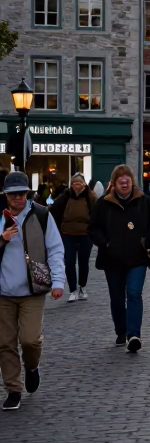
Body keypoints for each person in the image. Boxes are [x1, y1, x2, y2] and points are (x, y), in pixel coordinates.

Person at [0, 172, 65, 411]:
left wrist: (58, 282)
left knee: (29, 340)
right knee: (5, 343)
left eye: (22, 193)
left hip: (32, 289)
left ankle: (31, 366)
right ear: (6, 195)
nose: (18, 198)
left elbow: (55, 250)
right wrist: (2, 238)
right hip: (3, 292)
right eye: (13, 194)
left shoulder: (41, 215)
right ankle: (13, 389)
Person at [89, 164, 150, 353]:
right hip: (112, 258)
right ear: (114, 184)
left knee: (135, 294)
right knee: (117, 297)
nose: (124, 185)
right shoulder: (103, 203)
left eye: (127, 182)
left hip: (137, 258)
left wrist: (146, 239)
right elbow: (93, 228)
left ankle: (133, 334)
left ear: (132, 183)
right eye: (121, 183)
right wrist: (105, 243)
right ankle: (121, 330)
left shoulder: (143, 201)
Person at [51, 172, 96, 302]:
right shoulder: (65, 196)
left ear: (84, 184)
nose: (77, 185)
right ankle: (72, 290)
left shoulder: (90, 197)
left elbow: (97, 214)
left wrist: (93, 231)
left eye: (79, 183)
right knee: (69, 262)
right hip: (67, 234)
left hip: (85, 234)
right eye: (74, 183)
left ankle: (82, 287)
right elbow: (54, 210)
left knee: (83, 263)